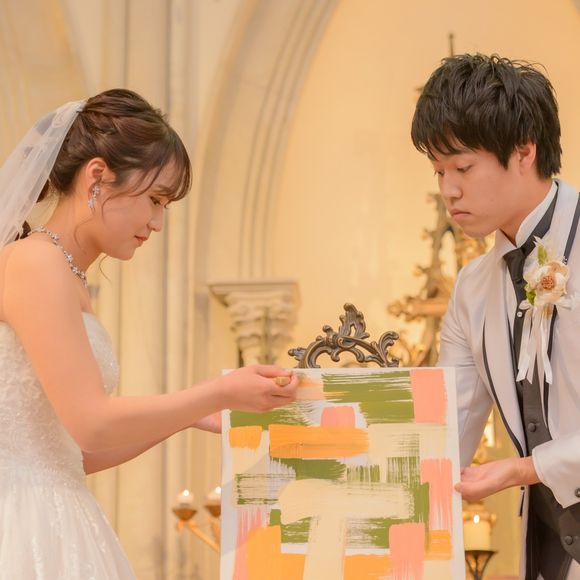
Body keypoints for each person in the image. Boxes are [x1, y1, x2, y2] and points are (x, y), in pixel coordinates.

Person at [0, 89, 298, 579]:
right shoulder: (37, 263)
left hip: (60, 515)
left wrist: (188, 416)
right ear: (97, 176)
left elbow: (79, 454)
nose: (157, 223)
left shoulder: (66, 275)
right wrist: (218, 391)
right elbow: (92, 424)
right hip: (22, 522)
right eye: (155, 200)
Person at [412, 54, 580, 579]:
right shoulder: (472, 288)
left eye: (462, 168)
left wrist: (526, 468)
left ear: (525, 151)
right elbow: (442, 430)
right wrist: (298, 424)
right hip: (550, 552)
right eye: (439, 171)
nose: (448, 190)